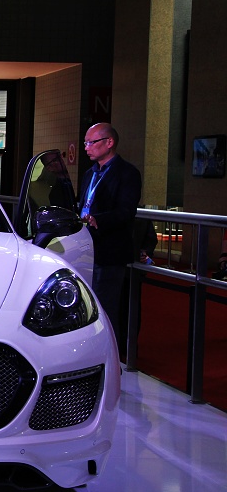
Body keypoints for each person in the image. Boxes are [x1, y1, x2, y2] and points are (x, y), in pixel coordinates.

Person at [79, 122, 142, 360]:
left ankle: (109, 359)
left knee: (106, 308)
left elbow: (126, 211)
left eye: (91, 142)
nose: (86, 147)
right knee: (87, 306)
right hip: (86, 249)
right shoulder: (89, 173)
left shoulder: (127, 173)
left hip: (110, 250)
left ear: (109, 142)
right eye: (85, 142)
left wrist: (99, 220)